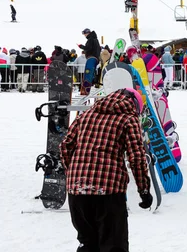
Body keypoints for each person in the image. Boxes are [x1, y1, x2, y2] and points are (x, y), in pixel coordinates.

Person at [60, 88, 152, 252]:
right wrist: (144, 190)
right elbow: (136, 157)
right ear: (134, 105)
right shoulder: (128, 119)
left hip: (77, 192)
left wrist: (75, 174)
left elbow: (66, 146)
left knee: (87, 243)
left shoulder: (86, 116)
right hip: (108, 192)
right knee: (114, 245)